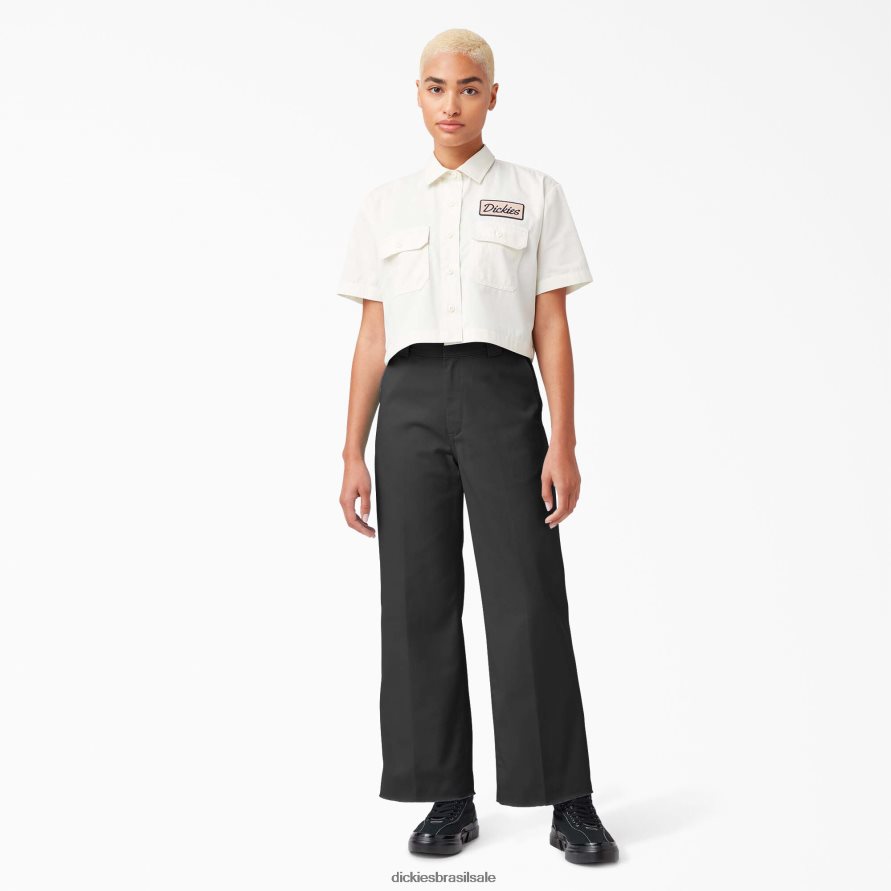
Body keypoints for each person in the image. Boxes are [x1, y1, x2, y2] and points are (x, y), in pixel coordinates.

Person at [335, 28, 619, 866]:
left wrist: (563, 440)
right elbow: (372, 334)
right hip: (408, 403)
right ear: (417, 95)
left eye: (467, 87)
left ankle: (567, 797)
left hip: (501, 397)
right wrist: (351, 450)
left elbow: (551, 325)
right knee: (416, 600)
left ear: (492, 96)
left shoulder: (534, 193)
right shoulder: (385, 204)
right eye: (435, 87)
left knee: (526, 595)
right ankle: (446, 795)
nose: (450, 103)